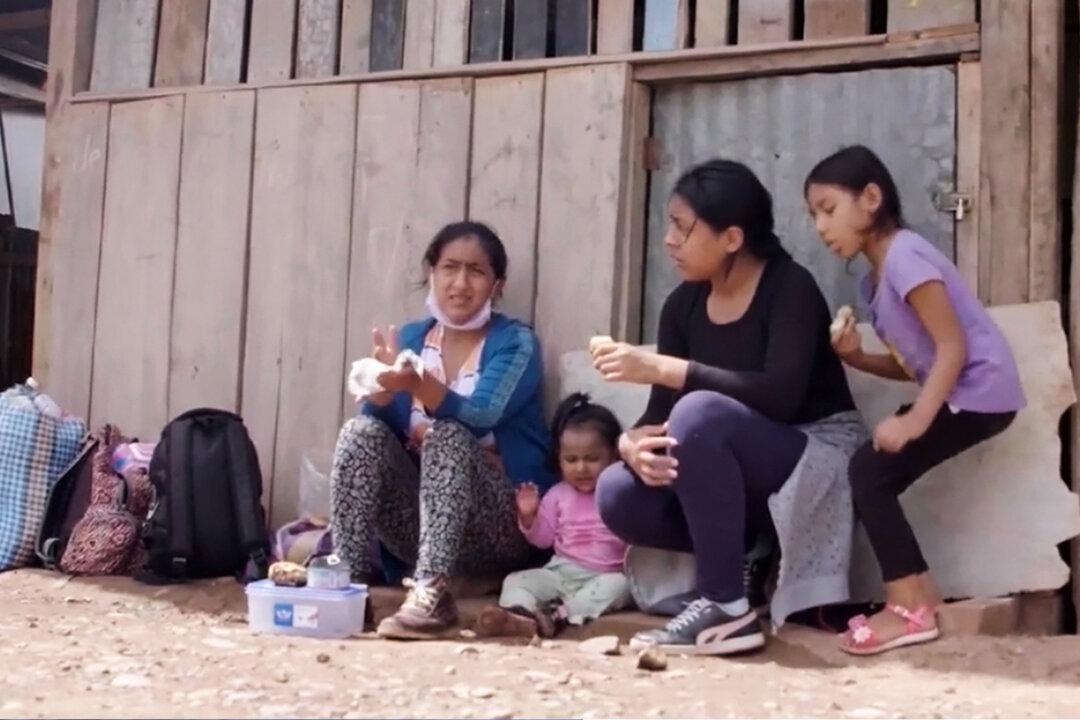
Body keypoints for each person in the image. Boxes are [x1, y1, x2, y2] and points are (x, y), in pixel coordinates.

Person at [592, 159, 866, 656]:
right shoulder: (682, 306)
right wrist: (630, 444)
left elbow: (779, 397)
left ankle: (726, 608)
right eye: (670, 226)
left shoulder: (791, 289)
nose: (669, 241)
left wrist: (664, 368)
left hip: (816, 451)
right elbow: (661, 411)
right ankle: (747, 558)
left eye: (683, 228)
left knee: (699, 416)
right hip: (735, 468)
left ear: (732, 239)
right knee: (617, 491)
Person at [805, 145, 1024, 655]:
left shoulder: (905, 256)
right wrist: (858, 358)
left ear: (872, 198)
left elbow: (953, 346)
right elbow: (918, 364)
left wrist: (916, 421)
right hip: (966, 391)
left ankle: (906, 609)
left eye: (828, 209)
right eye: (813, 215)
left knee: (870, 472)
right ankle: (920, 597)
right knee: (874, 473)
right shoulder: (875, 278)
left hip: (980, 391)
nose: (819, 226)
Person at [330, 221, 553, 640]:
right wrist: (379, 393)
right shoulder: (412, 338)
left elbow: (481, 414)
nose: (461, 283)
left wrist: (417, 384)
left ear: (497, 285)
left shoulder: (515, 342)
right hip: (421, 526)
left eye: (477, 272)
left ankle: (432, 592)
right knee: (359, 433)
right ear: (432, 272)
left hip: (501, 527)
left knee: (450, 435)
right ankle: (347, 587)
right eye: (450, 267)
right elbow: (378, 434)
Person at [476, 393, 631, 638]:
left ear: (614, 455)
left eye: (592, 459)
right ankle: (523, 616)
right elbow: (543, 540)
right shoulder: (558, 494)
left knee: (620, 587)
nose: (581, 468)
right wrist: (529, 516)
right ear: (559, 458)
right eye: (571, 459)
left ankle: (557, 615)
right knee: (515, 581)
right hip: (561, 573)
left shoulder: (618, 492)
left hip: (604, 576)